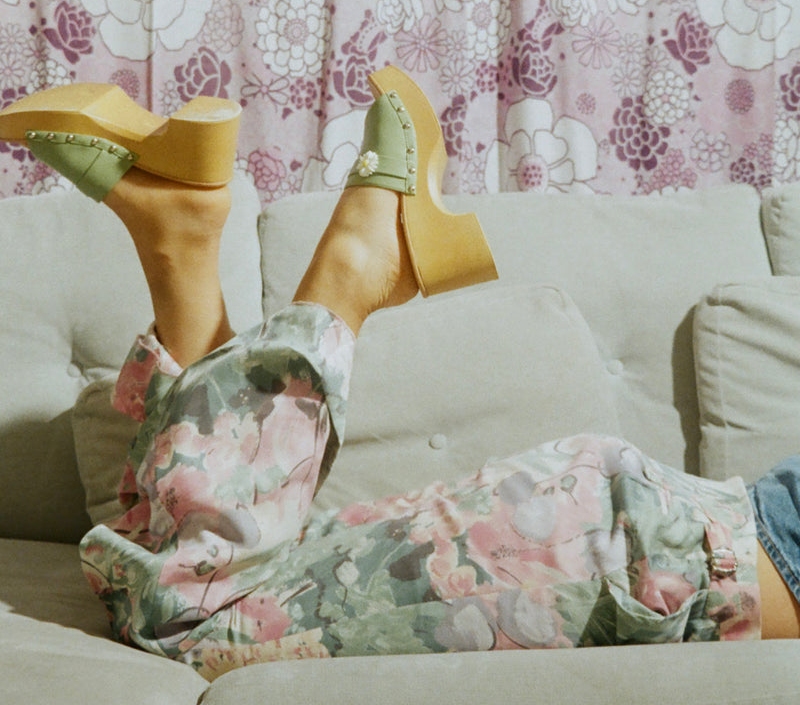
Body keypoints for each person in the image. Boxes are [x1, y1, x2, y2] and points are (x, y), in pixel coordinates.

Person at [1, 66, 799, 681]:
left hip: (637, 539)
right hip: (653, 555)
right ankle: (347, 265)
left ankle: (180, 246)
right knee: (190, 612)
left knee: (183, 570)